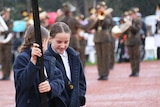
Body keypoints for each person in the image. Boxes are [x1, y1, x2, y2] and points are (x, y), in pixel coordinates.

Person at [13, 25, 64, 107]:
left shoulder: (47, 58)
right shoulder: (22, 58)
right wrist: (33, 62)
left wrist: (51, 86)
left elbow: (59, 80)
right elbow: (23, 84)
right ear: (43, 42)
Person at [44, 22, 86, 107]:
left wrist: (80, 96)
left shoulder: (74, 56)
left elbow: (81, 79)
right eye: (59, 42)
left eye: (66, 42)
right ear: (50, 39)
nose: (62, 46)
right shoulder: (46, 58)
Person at [124, 7, 142, 77]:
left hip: (135, 40)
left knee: (136, 56)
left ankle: (136, 71)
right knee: (131, 57)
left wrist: (131, 26)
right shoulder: (128, 20)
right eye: (130, 14)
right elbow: (125, 31)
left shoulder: (138, 20)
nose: (131, 16)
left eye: (132, 14)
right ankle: (133, 71)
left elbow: (136, 30)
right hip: (129, 41)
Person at [0, 7, 14, 80]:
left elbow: (10, 31)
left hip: (8, 43)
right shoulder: (1, 21)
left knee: (7, 59)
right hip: (1, 42)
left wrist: (2, 32)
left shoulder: (10, 22)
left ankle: (7, 75)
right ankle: (4, 74)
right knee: (2, 59)